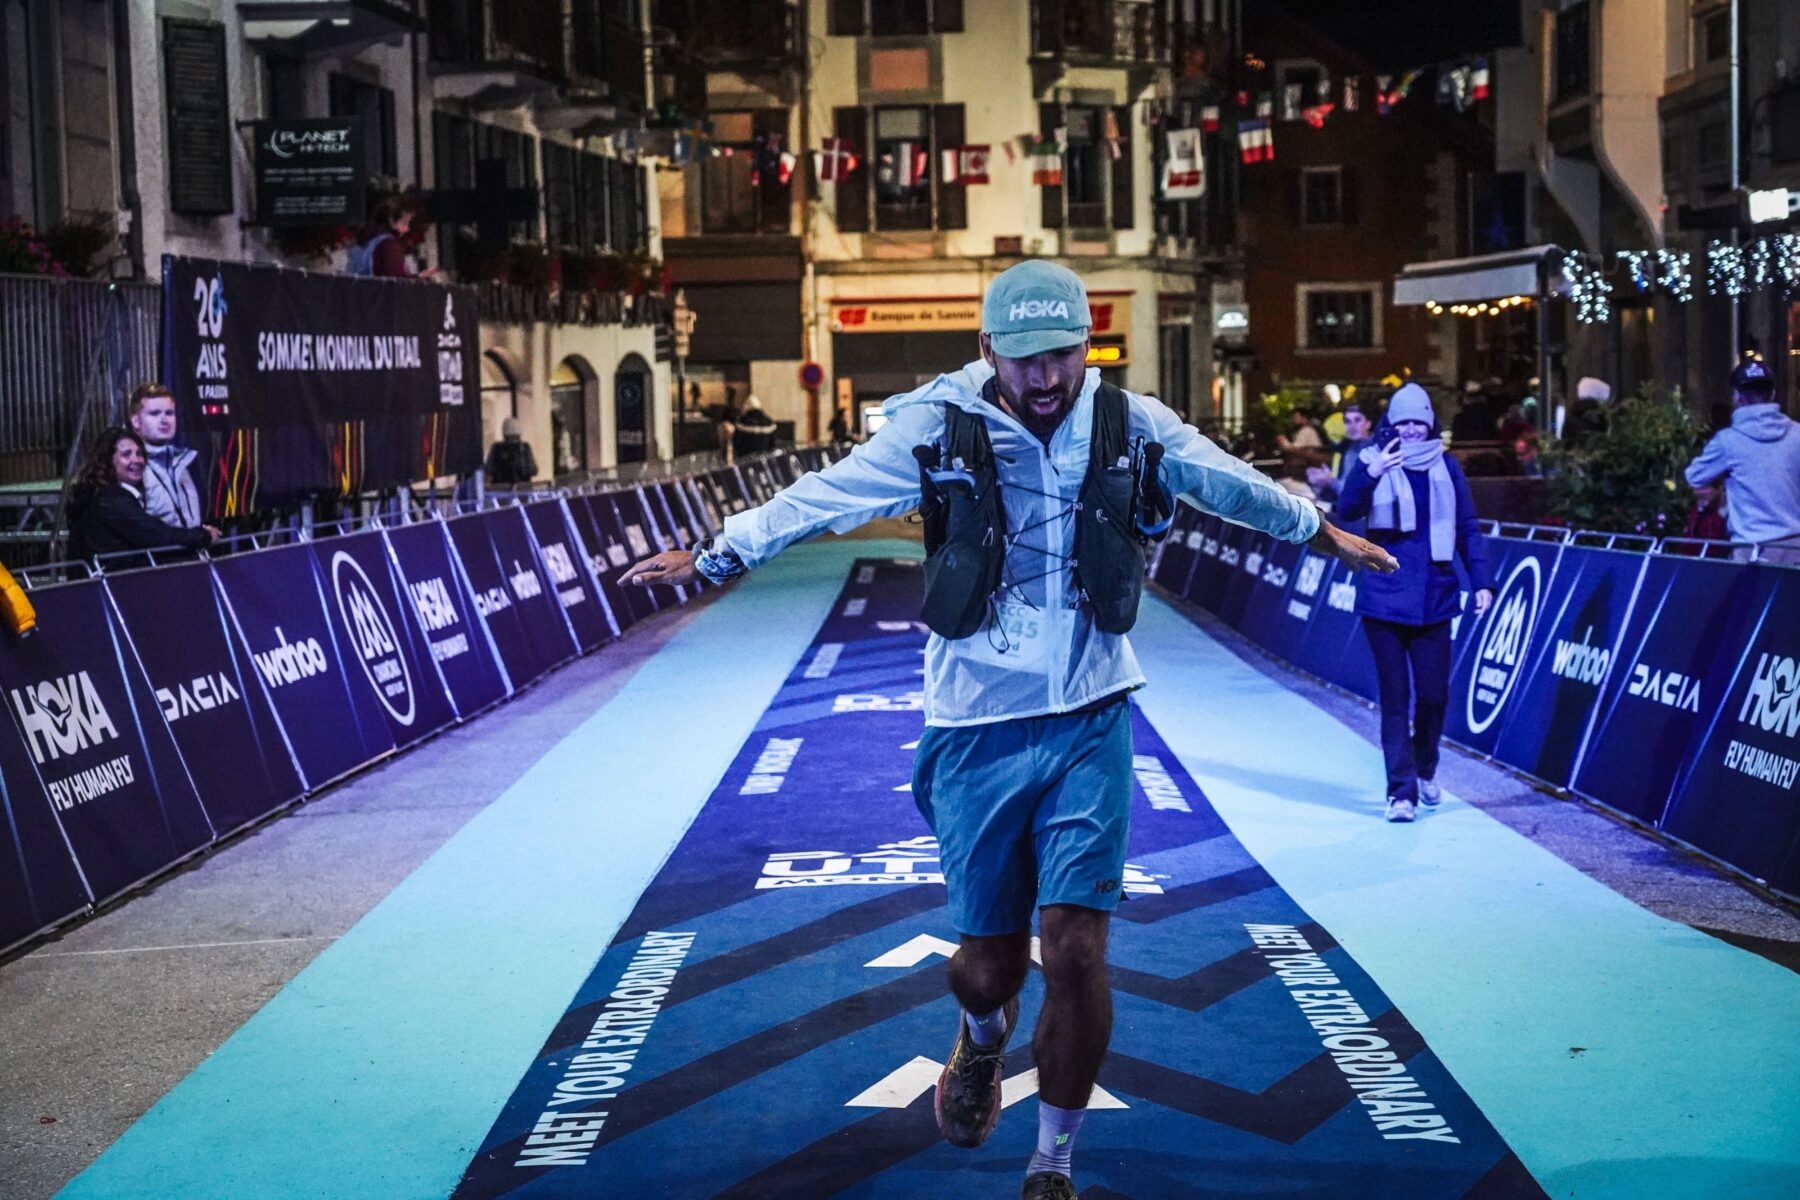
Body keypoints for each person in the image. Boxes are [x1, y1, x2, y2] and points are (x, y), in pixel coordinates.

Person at [619, 260, 1395, 1200]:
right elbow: (825, 495)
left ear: (1086, 347)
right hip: (974, 720)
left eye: (1063, 355)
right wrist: (717, 554)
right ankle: (981, 1040)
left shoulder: (1125, 419)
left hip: (1090, 712)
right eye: (1025, 358)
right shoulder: (934, 422)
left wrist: (1320, 530)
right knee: (987, 971)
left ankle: (1052, 1162)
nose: (1045, 377)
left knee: (1074, 950)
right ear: (987, 348)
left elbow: (1221, 479)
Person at [1335, 383, 1494, 822]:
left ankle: (1425, 767)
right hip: (1383, 600)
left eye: (1416, 422)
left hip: (1437, 600)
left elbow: (1467, 527)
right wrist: (1372, 473)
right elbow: (1345, 511)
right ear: (1390, 424)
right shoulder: (1371, 459)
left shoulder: (1447, 466)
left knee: (1434, 696)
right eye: (1401, 421)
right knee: (1396, 698)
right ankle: (1400, 792)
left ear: (1428, 426)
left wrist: (1481, 581)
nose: (1408, 430)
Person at [1683, 358, 1800, 564]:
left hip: (1753, 551)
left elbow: (1694, 476)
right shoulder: (1797, 434)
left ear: (1736, 396)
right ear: (1772, 394)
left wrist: (1720, 493)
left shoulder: (1728, 441)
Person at [66, 426, 217, 563]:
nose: (136, 460)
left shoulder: (99, 494)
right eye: (126, 454)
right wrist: (203, 535)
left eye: (139, 454)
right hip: (115, 583)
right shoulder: (111, 499)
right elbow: (157, 536)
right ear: (108, 461)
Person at [126, 382, 204, 531]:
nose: (164, 420)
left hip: (193, 552)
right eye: (154, 413)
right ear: (135, 421)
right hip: (159, 554)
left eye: (169, 413)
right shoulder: (131, 468)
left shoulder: (183, 462)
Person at [347, 199, 433, 279]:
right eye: (404, 223)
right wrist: (419, 277)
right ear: (392, 221)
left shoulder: (367, 240)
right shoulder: (389, 245)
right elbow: (395, 283)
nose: (406, 229)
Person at [1308, 402, 1373, 503]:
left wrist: (1329, 481)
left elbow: (1356, 492)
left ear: (1368, 424)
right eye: (1347, 421)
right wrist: (1321, 484)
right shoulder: (1348, 448)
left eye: (1357, 420)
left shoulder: (1372, 450)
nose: (1352, 426)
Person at [484, 417, 538, 486]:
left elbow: (489, 470)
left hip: (500, 490)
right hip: (522, 489)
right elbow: (533, 470)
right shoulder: (524, 447)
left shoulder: (497, 448)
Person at [732, 393, 777, 459]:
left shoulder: (743, 421)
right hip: (764, 458)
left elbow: (736, 441)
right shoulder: (768, 421)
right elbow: (772, 443)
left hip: (746, 458)